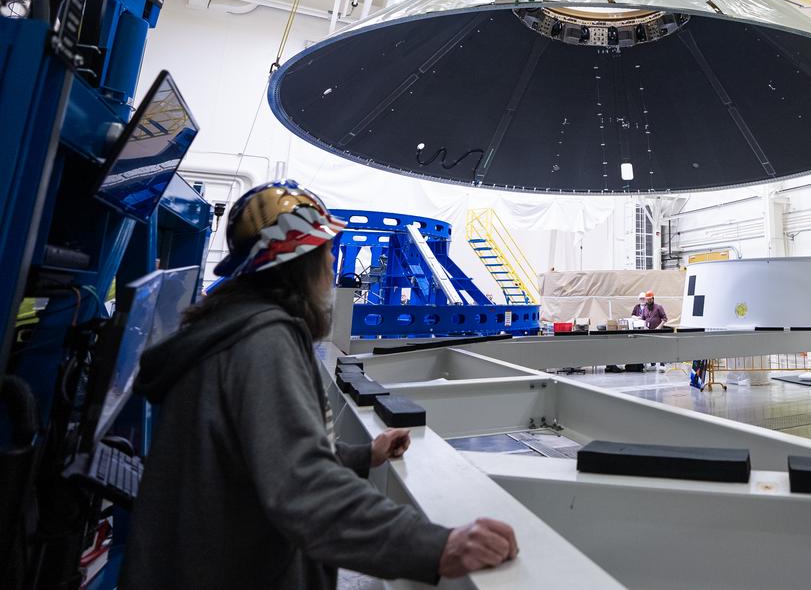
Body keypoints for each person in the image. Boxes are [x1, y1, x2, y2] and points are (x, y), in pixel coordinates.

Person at [121, 181, 519, 589]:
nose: (333, 265)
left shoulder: (232, 328)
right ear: (301, 263)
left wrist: (364, 455)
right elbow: (303, 487)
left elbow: (263, 450)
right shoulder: (262, 343)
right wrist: (438, 546)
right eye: (327, 251)